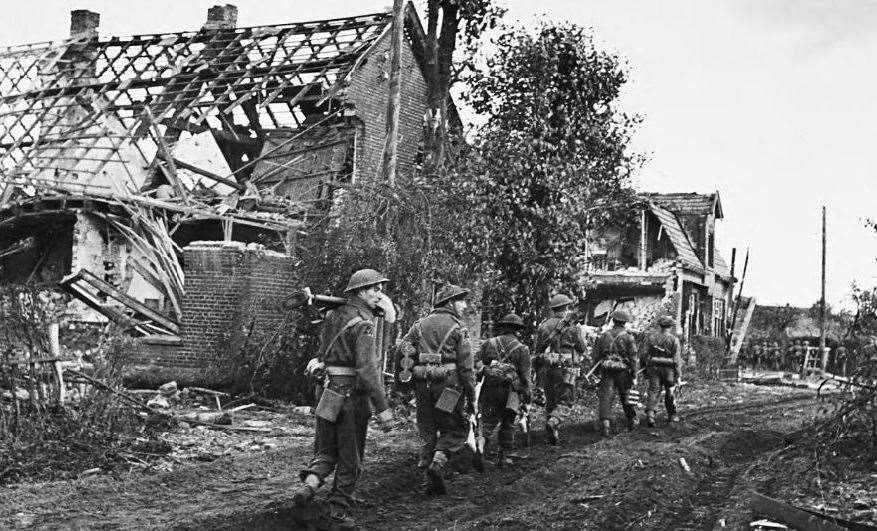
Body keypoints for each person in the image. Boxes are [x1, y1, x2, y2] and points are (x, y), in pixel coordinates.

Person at [293, 269, 395, 530]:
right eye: (375, 289)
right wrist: (383, 408)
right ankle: (337, 512)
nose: (379, 295)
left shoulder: (332, 316)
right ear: (361, 291)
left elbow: (322, 354)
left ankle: (309, 487)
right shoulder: (363, 324)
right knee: (351, 457)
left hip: (328, 392)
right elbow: (368, 371)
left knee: (326, 450)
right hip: (351, 397)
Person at [398, 284, 476, 495]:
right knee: (453, 427)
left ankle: (427, 475)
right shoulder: (459, 328)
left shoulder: (419, 325)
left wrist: (409, 373)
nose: (464, 305)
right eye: (461, 300)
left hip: (423, 386)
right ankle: (438, 464)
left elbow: (403, 349)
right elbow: (466, 367)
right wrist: (472, 395)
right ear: (450, 302)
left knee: (427, 427)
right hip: (449, 387)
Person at [476, 313, 532, 466]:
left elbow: (477, 363)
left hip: (489, 388)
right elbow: (526, 377)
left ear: (503, 327)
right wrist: (527, 396)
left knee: (487, 422)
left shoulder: (488, 343)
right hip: (510, 392)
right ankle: (503, 457)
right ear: (517, 330)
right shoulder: (522, 349)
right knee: (508, 423)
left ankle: (480, 446)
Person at [534, 294, 587, 445]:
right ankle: (554, 422)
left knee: (550, 400)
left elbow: (537, 350)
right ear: (566, 309)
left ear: (553, 310)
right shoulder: (572, 328)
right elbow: (582, 348)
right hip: (565, 369)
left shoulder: (543, 326)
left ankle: (552, 432)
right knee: (566, 401)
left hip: (546, 368)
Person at [593, 310, 639, 437]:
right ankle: (631, 420)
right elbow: (633, 357)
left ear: (613, 321)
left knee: (606, 396)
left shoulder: (604, 335)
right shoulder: (628, 337)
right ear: (624, 323)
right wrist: (634, 374)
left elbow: (596, 355)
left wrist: (596, 372)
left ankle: (605, 424)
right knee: (626, 396)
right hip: (623, 372)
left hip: (607, 370)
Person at [642, 316, 683, 427]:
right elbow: (677, 359)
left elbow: (644, 355)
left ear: (660, 326)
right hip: (669, 370)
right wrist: (679, 375)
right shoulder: (674, 340)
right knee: (670, 392)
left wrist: (645, 370)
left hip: (654, 369)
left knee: (653, 391)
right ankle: (672, 416)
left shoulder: (651, 338)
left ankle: (650, 414)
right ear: (670, 327)